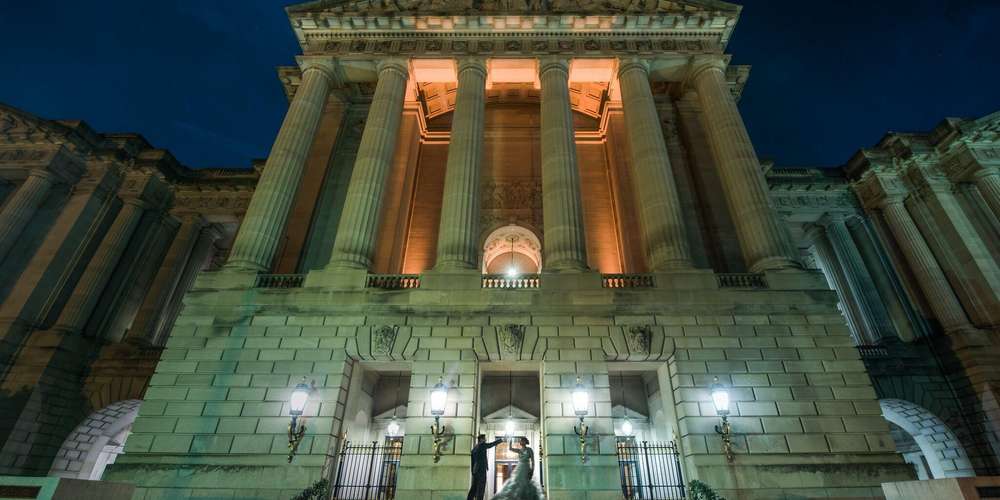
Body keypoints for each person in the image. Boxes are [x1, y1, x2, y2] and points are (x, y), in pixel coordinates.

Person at [468, 434, 504, 500]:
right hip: (481, 470)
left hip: (475, 471)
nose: (485, 440)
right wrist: (501, 440)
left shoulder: (475, 448)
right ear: (481, 439)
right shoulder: (482, 445)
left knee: (474, 488)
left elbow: (472, 461)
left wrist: (473, 472)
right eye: (484, 439)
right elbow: (491, 445)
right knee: (481, 488)